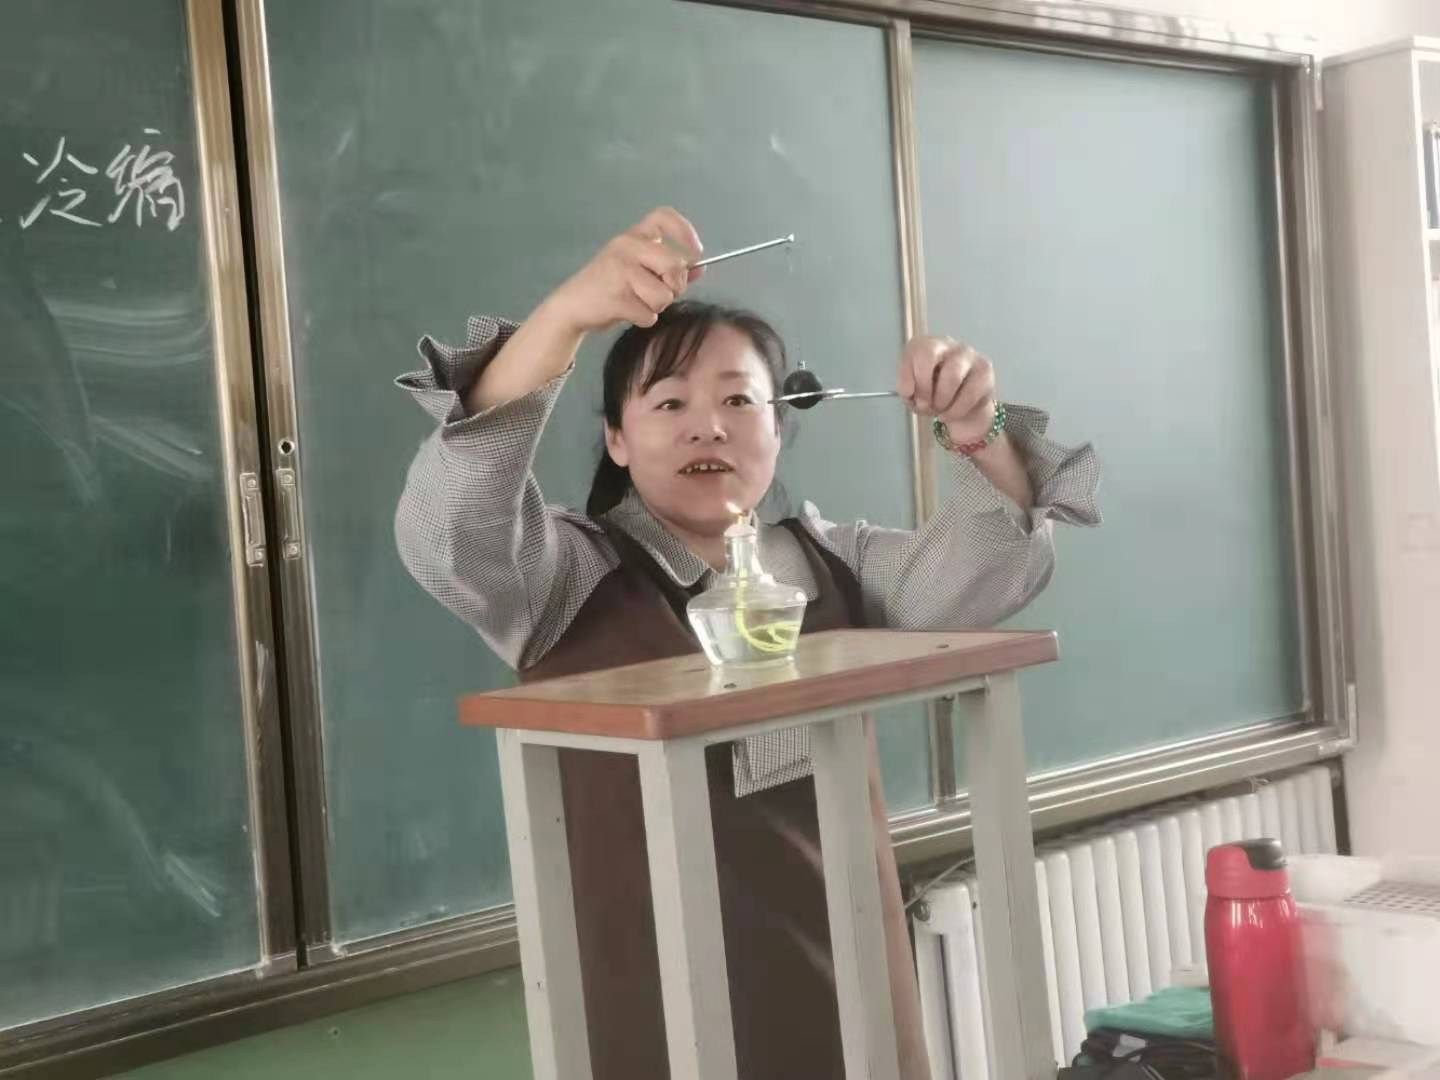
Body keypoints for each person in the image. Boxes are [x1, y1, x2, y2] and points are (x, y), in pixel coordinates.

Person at [395, 207, 1100, 1079]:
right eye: (669, 403)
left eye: (738, 399)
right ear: (616, 437)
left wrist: (977, 426)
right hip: (654, 1002)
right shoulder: (564, 577)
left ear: (779, 424)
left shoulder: (833, 564)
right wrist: (567, 315)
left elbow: (992, 568)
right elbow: (449, 532)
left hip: (850, 986)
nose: (709, 427)